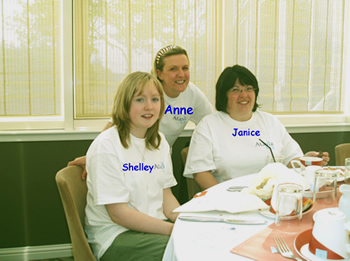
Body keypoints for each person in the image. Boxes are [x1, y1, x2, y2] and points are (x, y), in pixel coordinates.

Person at [68, 45, 215, 179]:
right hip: (130, 155)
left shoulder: (192, 94)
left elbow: (213, 122)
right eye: (173, 69)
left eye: (185, 68)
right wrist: (92, 155)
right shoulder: (147, 90)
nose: (181, 74)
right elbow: (116, 122)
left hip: (159, 156)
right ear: (160, 73)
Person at [183, 65, 330, 190]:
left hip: (272, 196)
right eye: (235, 90)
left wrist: (306, 160)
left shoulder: (270, 121)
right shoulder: (209, 125)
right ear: (224, 94)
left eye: (249, 88)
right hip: (230, 199)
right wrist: (223, 197)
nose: (244, 95)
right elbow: (200, 172)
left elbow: (291, 160)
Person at [85, 71, 180, 261]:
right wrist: (174, 230)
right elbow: (119, 215)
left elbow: (166, 197)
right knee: (185, 252)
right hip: (117, 235)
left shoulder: (160, 141)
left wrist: (189, 223)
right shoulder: (107, 145)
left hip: (154, 227)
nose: (149, 106)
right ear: (124, 103)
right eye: (139, 99)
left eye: (155, 99)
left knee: (199, 243)